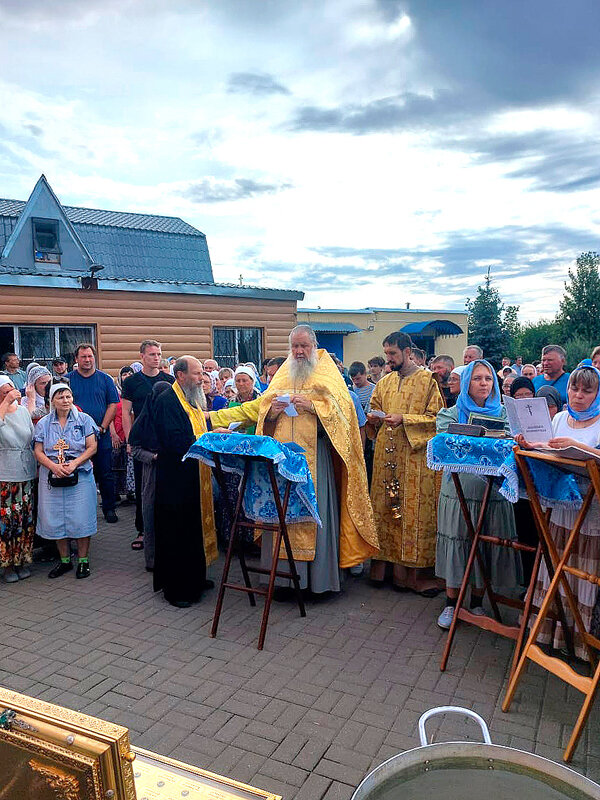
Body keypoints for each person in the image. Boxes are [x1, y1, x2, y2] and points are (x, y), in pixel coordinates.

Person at [208, 325, 379, 596]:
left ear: (314, 345)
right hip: (281, 461)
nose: (299, 351)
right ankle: (282, 581)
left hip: (316, 458)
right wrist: (273, 412)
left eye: (304, 346)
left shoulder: (327, 371)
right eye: (295, 346)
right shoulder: (284, 371)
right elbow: (262, 407)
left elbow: (343, 412)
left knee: (312, 513)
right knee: (281, 515)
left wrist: (313, 406)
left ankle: (316, 582)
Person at [519, 365, 600, 659]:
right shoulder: (561, 417)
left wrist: (576, 445)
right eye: (574, 389)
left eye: (586, 391)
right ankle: (550, 632)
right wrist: (530, 445)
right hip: (562, 506)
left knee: (582, 572)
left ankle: (580, 643)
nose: (578, 396)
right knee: (556, 565)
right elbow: (548, 447)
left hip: (591, 510)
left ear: (597, 393)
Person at [435, 360, 522, 629]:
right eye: (477, 378)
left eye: (487, 378)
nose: (483, 383)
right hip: (458, 491)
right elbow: (444, 443)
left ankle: (477, 602)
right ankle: (451, 604)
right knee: (458, 541)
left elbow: (516, 443)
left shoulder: (507, 415)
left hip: (493, 492)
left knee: (485, 545)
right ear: (466, 383)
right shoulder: (449, 414)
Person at [366, 331, 443, 594]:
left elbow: (437, 419)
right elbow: (373, 410)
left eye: (393, 354)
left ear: (408, 352)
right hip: (386, 456)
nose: (388, 359)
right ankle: (384, 572)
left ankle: (413, 577)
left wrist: (406, 419)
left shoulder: (428, 381)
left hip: (414, 461)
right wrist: (373, 420)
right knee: (386, 510)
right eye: (386, 353)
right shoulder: (384, 382)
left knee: (411, 514)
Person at [152, 356, 217, 607]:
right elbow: (174, 440)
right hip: (175, 480)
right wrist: (210, 442)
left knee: (194, 529)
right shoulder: (168, 401)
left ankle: (196, 579)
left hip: (194, 475)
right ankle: (177, 589)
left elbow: (196, 432)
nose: (201, 378)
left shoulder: (191, 399)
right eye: (197, 373)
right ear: (180, 376)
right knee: (178, 532)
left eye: (202, 373)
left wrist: (212, 434)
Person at [34, 383, 98, 579]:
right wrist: (54, 467)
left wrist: (75, 463)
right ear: (52, 400)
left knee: (80, 517)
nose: (65, 401)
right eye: (60, 397)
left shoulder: (84, 420)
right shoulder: (44, 423)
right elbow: (38, 450)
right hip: (52, 476)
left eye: (68, 397)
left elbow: (92, 447)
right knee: (56, 519)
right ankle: (64, 561)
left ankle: (83, 561)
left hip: (79, 475)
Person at [121, 340, 175, 548]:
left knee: (165, 485)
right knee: (144, 486)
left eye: (159, 354)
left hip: (164, 440)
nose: (156, 358)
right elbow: (126, 412)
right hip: (142, 441)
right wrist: (129, 439)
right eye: (152, 354)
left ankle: (163, 528)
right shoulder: (132, 382)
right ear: (142, 356)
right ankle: (142, 529)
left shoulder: (169, 380)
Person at [67, 343, 119, 524]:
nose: (87, 360)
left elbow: (113, 404)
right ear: (76, 359)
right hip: (74, 437)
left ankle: (109, 508)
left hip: (100, 434)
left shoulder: (105, 379)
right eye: (83, 357)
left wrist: (103, 427)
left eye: (90, 356)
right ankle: (78, 511)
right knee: (78, 472)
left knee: (105, 473)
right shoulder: (67, 380)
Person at [129, 381, 172, 573]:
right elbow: (135, 450)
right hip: (152, 473)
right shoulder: (144, 420)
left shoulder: (173, 416)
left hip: (172, 474)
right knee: (151, 515)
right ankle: (153, 560)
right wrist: (154, 457)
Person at [0, 376, 36, 583]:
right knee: (8, 521)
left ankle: (22, 559)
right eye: (4, 392)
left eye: (11, 390)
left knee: (24, 520)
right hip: (5, 473)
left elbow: (30, 435)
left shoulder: (22, 411)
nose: (10, 395)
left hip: (25, 471)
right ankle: (7, 564)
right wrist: (4, 403)